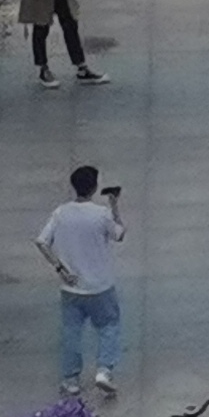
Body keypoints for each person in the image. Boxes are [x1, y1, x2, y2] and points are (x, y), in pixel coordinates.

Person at [36, 163, 126, 395]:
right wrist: (114, 205)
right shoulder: (101, 214)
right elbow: (119, 234)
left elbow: (42, 242)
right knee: (109, 326)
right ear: (95, 187)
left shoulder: (60, 213)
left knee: (71, 332)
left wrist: (60, 268)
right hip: (100, 286)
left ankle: (71, 379)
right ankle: (104, 371)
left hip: (71, 287)